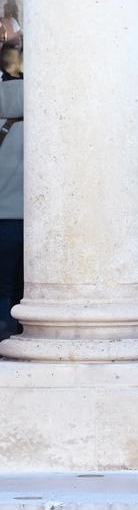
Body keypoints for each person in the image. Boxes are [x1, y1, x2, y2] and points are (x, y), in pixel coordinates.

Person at [0, 72, 22, 341]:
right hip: (35, 220)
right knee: (23, 292)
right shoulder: (49, 108)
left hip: (3, 215)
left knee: (2, 289)